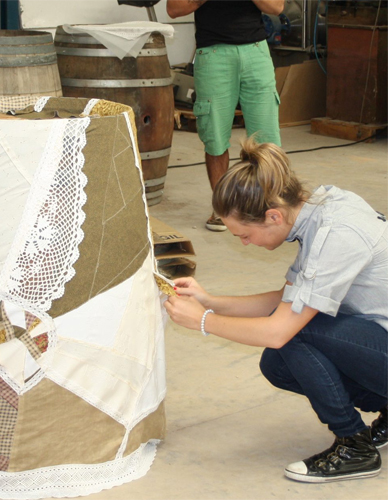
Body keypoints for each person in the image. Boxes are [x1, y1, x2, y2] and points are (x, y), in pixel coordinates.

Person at [164, 137, 388, 482]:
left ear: (273, 215)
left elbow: (280, 327)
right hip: (378, 335)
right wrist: (210, 300)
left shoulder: (335, 234)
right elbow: (287, 298)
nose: (244, 242)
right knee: (278, 363)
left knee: (292, 334)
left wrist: (204, 321)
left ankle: (355, 446)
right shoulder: (319, 209)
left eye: (245, 235)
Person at [166, 0, 283, 232]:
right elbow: (174, 9)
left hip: (256, 51)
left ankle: (269, 205)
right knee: (215, 136)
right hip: (213, 54)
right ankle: (223, 208)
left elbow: (276, 7)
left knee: (267, 138)